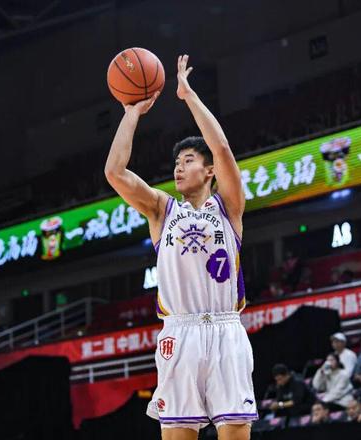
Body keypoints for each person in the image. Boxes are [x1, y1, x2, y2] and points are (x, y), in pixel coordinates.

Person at [106, 55, 254, 439]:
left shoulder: (228, 207)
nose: (178, 167)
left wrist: (188, 97)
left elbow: (222, 148)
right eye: (176, 162)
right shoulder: (161, 209)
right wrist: (131, 114)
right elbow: (114, 172)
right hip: (178, 332)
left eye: (188, 160)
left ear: (209, 171)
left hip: (225, 329)